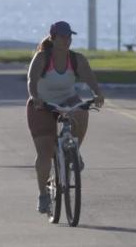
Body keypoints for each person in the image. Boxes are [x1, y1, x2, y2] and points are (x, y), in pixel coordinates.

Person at [26, 21, 106, 214]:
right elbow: (31, 79)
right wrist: (35, 97)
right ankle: (43, 194)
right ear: (53, 38)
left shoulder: (76, 59)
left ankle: (74, 151)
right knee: (45, 153)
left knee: (82, 110)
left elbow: (89, 78)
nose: (67, 40)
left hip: (67, 100)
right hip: (43, 104)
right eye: (62, 36)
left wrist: (97, 93)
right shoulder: (42, 58)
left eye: (69, 36)